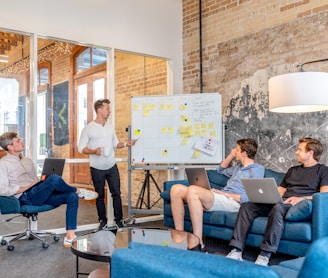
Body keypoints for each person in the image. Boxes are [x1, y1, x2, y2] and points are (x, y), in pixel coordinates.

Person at [226, 137, 328, 266]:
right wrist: (265, 197)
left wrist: (301, 198)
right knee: (247, 206)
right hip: (281, 202)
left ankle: (264, 255)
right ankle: (236, 250)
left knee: (278, 208)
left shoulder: (323, 171)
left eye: (299, 149)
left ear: (310, 153)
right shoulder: (292, 170)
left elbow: (324, 195)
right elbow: (279, 192)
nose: (296, 152)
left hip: (297, 205)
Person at [0, 132, 98, 248]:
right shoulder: (3, 164)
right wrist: (24, 187)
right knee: (55, 179)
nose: (22, 142)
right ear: (10, 147)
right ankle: (77, 190)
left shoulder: (27, 160)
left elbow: (34, 180)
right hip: (25, 197)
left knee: (71, 196)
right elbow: (2, 189)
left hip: (37, 192)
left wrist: (41, 183)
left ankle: (70, 236)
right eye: (18, 141)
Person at [170, 138, 265, 251]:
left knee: (193, 190)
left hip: (233, 202)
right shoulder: (237, 168)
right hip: (222, 197)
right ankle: (180, 235)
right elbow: (220, 169)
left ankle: (198, 241)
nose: (234, 151)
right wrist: (231, 155)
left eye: (237, 149)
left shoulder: (257, 169)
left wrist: (223, 193)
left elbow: (249, 197)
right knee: (176, 189)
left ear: (244, 153)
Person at [78, 98, 136, 230]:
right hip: (97, 168)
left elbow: (116, 143)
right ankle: (102, 222)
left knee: (116, 193)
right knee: (100, 196)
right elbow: (80, 148)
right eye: (107, 108)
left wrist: (127, 143)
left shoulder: (110, 128)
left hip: (111, 166)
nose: (109, 111)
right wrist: (94, 151)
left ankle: (119, 221)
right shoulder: (88, 128)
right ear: (99, 110)